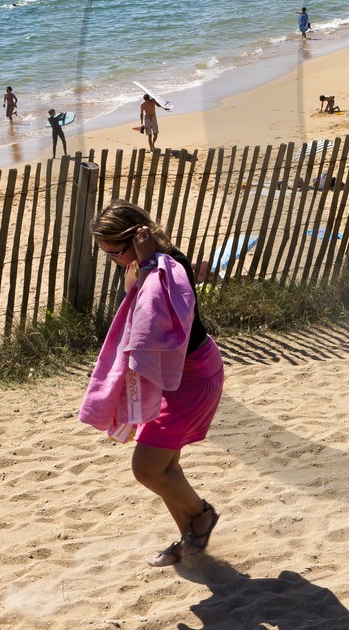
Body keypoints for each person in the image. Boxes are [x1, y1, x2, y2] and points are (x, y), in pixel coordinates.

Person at [79, 202, 225, 568]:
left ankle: (202, 515)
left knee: (148, 467)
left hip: (193, 375)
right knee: (166, 468)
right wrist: (138, 263)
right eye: (106, 254)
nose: (113, 260)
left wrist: (145, 263)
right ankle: (192, 539)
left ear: (137, 238)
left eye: (115, 251)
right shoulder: (141, 264)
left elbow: (153, 310)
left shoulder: (171, 265)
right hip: (170, 376)